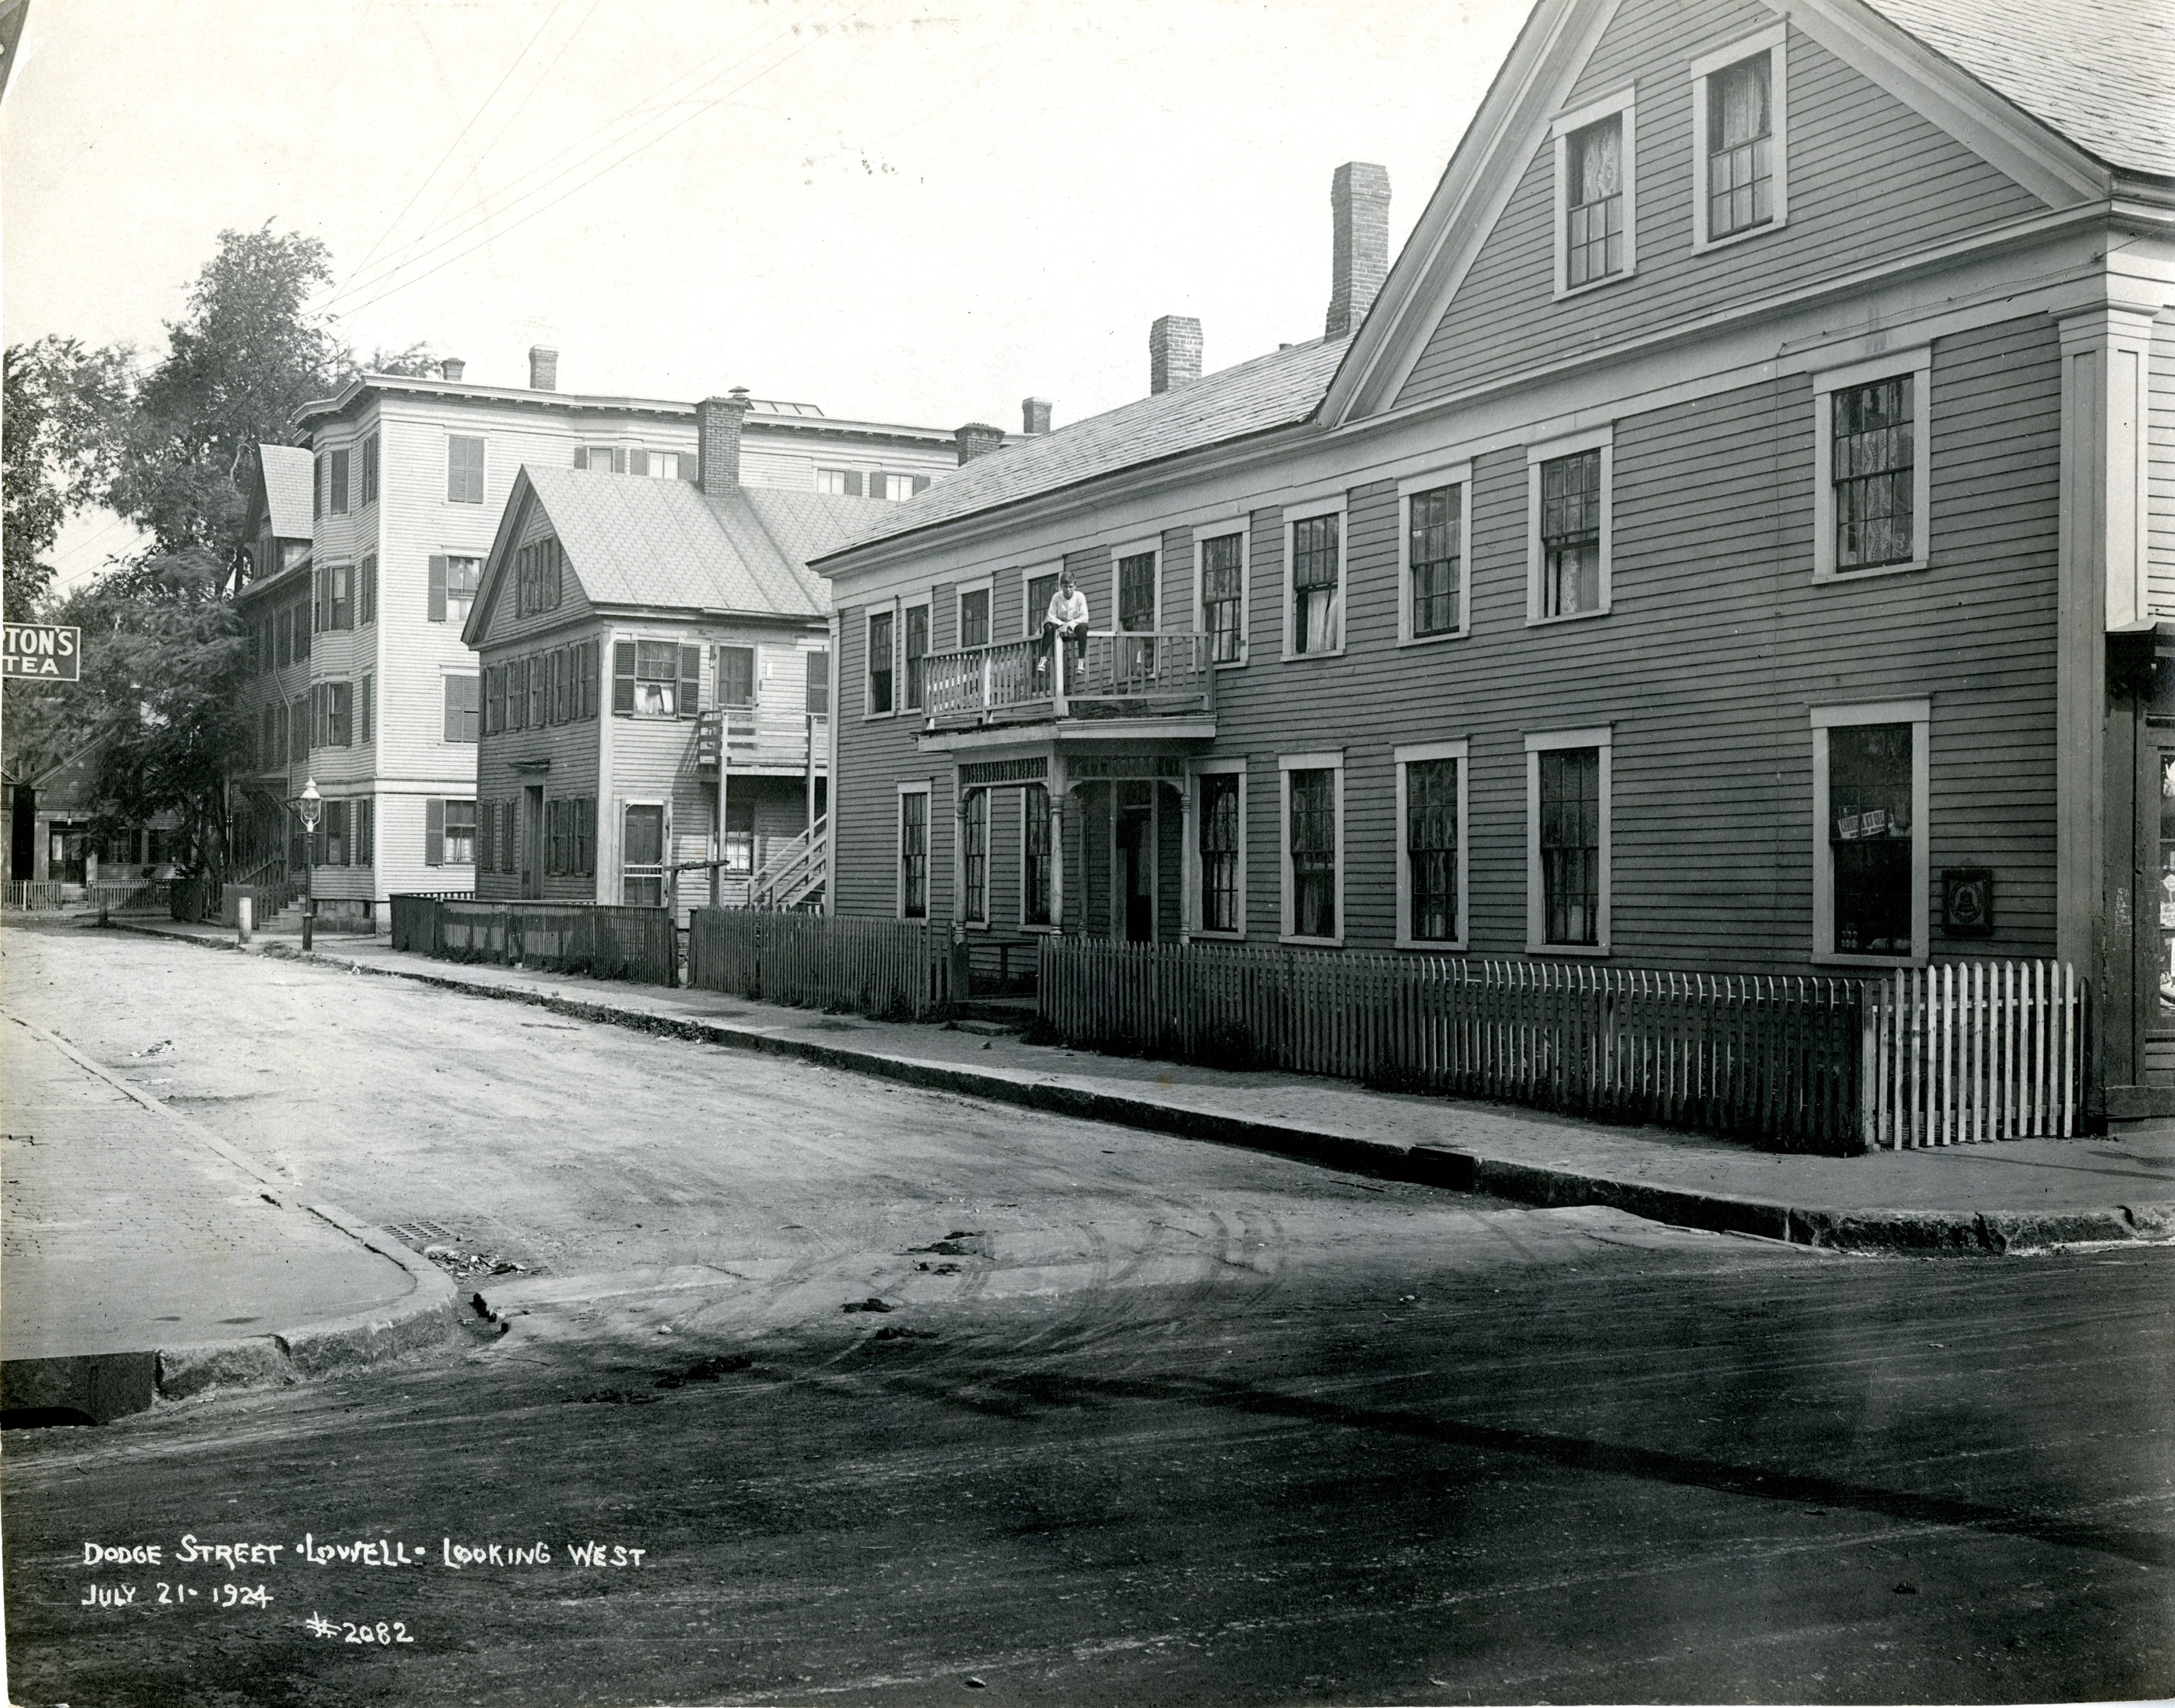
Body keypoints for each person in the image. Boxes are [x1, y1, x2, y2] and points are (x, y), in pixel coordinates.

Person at [1040, 568, 1091, 692]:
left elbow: (1084, 617)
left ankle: (1081, 661)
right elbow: (1051, 616)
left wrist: (1069, 625)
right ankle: (1043, 658)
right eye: (1065, 587)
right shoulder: (1057, 597)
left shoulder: (1080, 597)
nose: (1068, 590)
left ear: (1075, 585)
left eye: (1070, 586)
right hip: (1060, 628)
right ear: (1061, 586)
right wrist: (1062, 624)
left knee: (1083, 628)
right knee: (1048, 626)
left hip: (1075, 628)